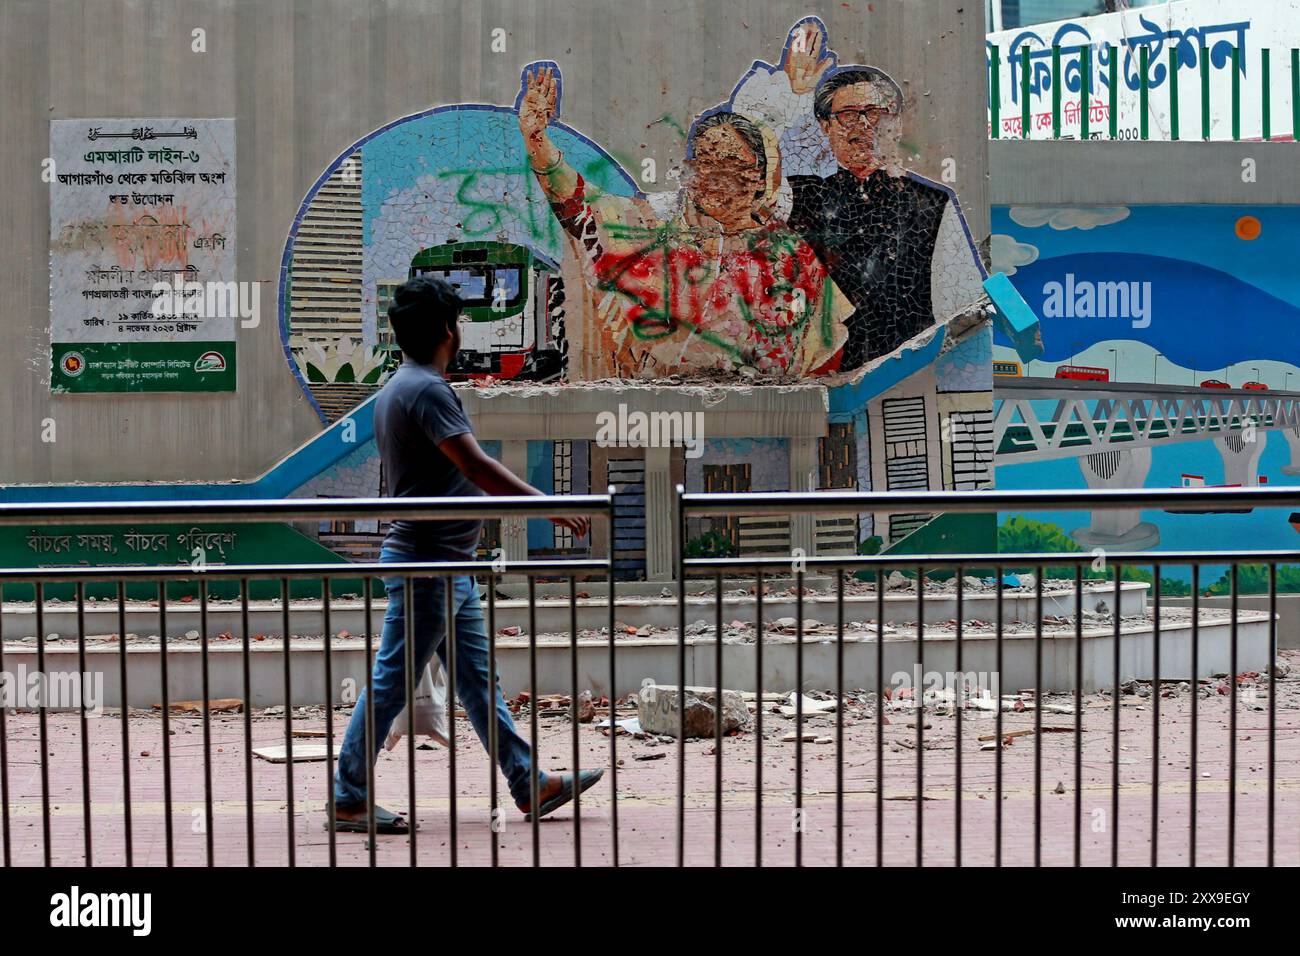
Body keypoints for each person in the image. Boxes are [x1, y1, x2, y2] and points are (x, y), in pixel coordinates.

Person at [330, 275, 601, 833]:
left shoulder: (401, 386)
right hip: (428, 563)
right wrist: (543, 505)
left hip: (447, 565)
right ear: (449, 330)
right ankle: (349, 795)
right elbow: (474, 465)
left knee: (478, 683)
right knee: (392, 681)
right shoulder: (427, 391)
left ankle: (527, 780)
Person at [517, 64, 850, 380]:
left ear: (760, 176)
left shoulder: (789, 253)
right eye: (705, 161)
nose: (716, 173)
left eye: (732, 160)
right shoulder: (652, 234)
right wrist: (537, 142)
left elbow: (823, 349)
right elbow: (583, 207)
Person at [730, 20, 986, 371]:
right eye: (849, 115)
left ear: (895, 124)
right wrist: (788, 93)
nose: (864, 126)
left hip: (903, 379)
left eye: (876, 114)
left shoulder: (933, 204)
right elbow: (742, 160)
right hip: (815, 376)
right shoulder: (799, 195)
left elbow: (962, 306)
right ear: (826, 126)